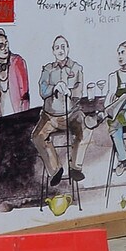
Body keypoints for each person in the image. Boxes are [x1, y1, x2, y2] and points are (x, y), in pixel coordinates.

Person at [31, 34, 85, 188]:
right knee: (37, 136)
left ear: (68, 49)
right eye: (57, 47)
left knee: (86, 129)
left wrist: (69, 91)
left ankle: (75, 167)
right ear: (53, 51)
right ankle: (55, 170)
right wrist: (54, 87)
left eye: (63, 47)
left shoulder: (77, 68)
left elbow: (79, 92)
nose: (60, 50)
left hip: (72, 114)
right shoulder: (47, 69)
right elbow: (42, 90)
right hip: (50, 117)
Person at [0, 29, 29, 118]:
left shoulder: (17, 62)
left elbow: (25, 93)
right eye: (1, 46)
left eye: (6, 44)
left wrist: (24, 116)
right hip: (2, 118)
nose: (5, 48)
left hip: (19, 117)